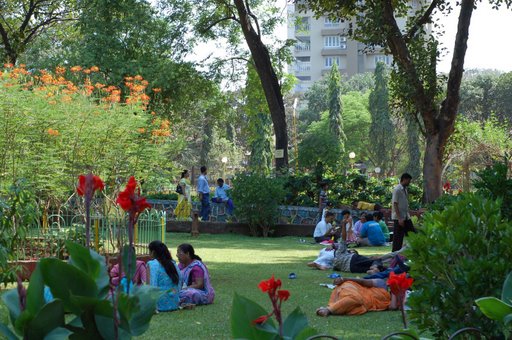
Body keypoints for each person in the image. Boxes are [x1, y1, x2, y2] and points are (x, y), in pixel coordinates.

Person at [315, 277, 396, 316]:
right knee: (355, 298)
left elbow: (393, 307)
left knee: (356, 308)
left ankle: (329, 309)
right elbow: (363, 281)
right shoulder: (382, 284)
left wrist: (395, 291)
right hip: (351, 288)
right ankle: (329, 309)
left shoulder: (392, 299)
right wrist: (344, 279)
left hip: (361, 304)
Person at [147, 240, 183, 312]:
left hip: (159, 305)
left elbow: (151, 285)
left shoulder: (152, 264)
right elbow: (180, 282)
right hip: (174, 303)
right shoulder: (173, 264)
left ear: (153, 252)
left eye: (149, 251)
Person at [392, 173, 416, 251]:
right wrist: (399, 219)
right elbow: (395, 204)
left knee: (412, 234)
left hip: (406, 216)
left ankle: (415, 251)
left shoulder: (405, 189)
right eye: (408, 181)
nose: (409, 182)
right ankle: (394, 256)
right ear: (404, 179)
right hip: (399, 217)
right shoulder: (397, 189)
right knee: (398, 238)